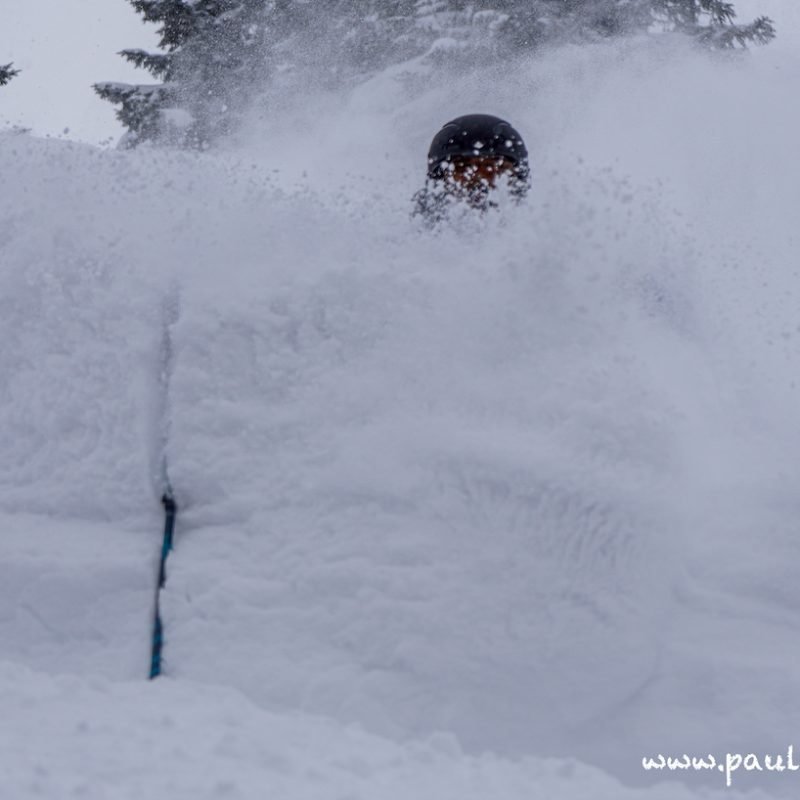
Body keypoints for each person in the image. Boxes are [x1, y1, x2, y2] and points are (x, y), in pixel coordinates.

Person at [413, 114, 530, 225]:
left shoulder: (538, 225)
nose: (478, 177)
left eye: (490, 167)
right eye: (462, 167)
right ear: (441, 178)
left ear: (514, 176)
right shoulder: (416, 229)